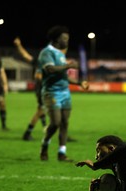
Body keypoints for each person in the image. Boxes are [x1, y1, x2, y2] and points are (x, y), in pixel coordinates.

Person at [38, 25, 89, 162]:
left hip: (65, 92)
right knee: (55, 123)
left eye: (68, 38)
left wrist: (79, 83)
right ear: (56, 39)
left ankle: (62, 153)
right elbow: (50, 69)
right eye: (64, 38)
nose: (67, 41)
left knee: (65, 123)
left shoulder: (61, 54)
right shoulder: (46, 52)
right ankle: (44, 145)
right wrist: (69, 65)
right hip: (51, 93)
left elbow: (63, 75)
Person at [13, 37, 47, 141]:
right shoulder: (42, 63)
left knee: (42, 110)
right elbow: (25, 55)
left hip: (41, 88)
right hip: (42, 88)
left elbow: (25, 55)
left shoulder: (41, 62)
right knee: (42, 110)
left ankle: (45, 128)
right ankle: (27, 133)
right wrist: (18, 45)